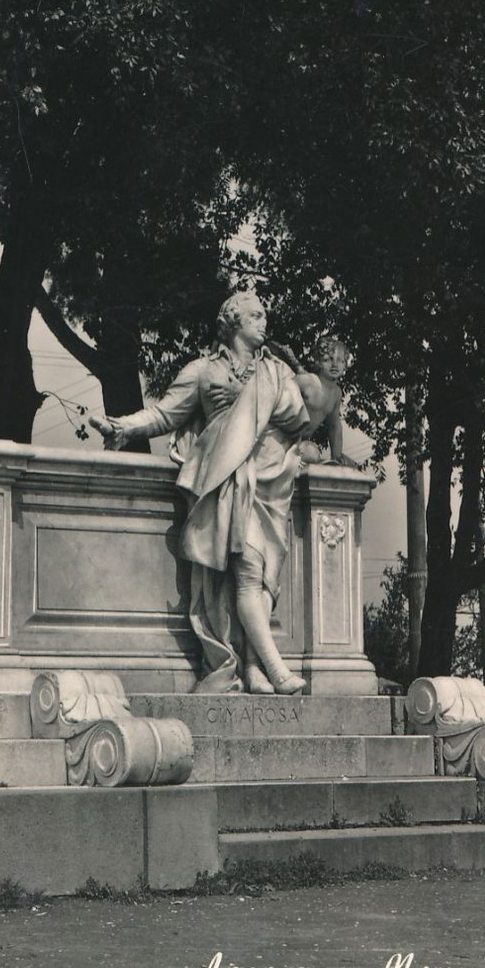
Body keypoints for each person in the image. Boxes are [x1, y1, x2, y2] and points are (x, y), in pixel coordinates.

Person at [89, 295, 311, 695]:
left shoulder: (276, 370)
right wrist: (123, 427)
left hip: (268, 481)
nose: (265, 321)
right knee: (248, 573)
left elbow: (298, 418)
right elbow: (164, 414)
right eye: (256, 315)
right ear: (233, 321)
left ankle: (254, 668)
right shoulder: (203, 370)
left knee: (264, 580)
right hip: (226, 478)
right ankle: (276, 670)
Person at [270, 336, 353, 466]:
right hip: (279, 438)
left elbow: (334, 425)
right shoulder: (308, 381)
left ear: (345, 365)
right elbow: (274, 400)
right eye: (328, 359)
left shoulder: (336, 393)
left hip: (300, 443)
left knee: (312, 453)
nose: (335, 365)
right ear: (319, 362)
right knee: (310, 455)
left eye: (340, 360)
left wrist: (337, 456)